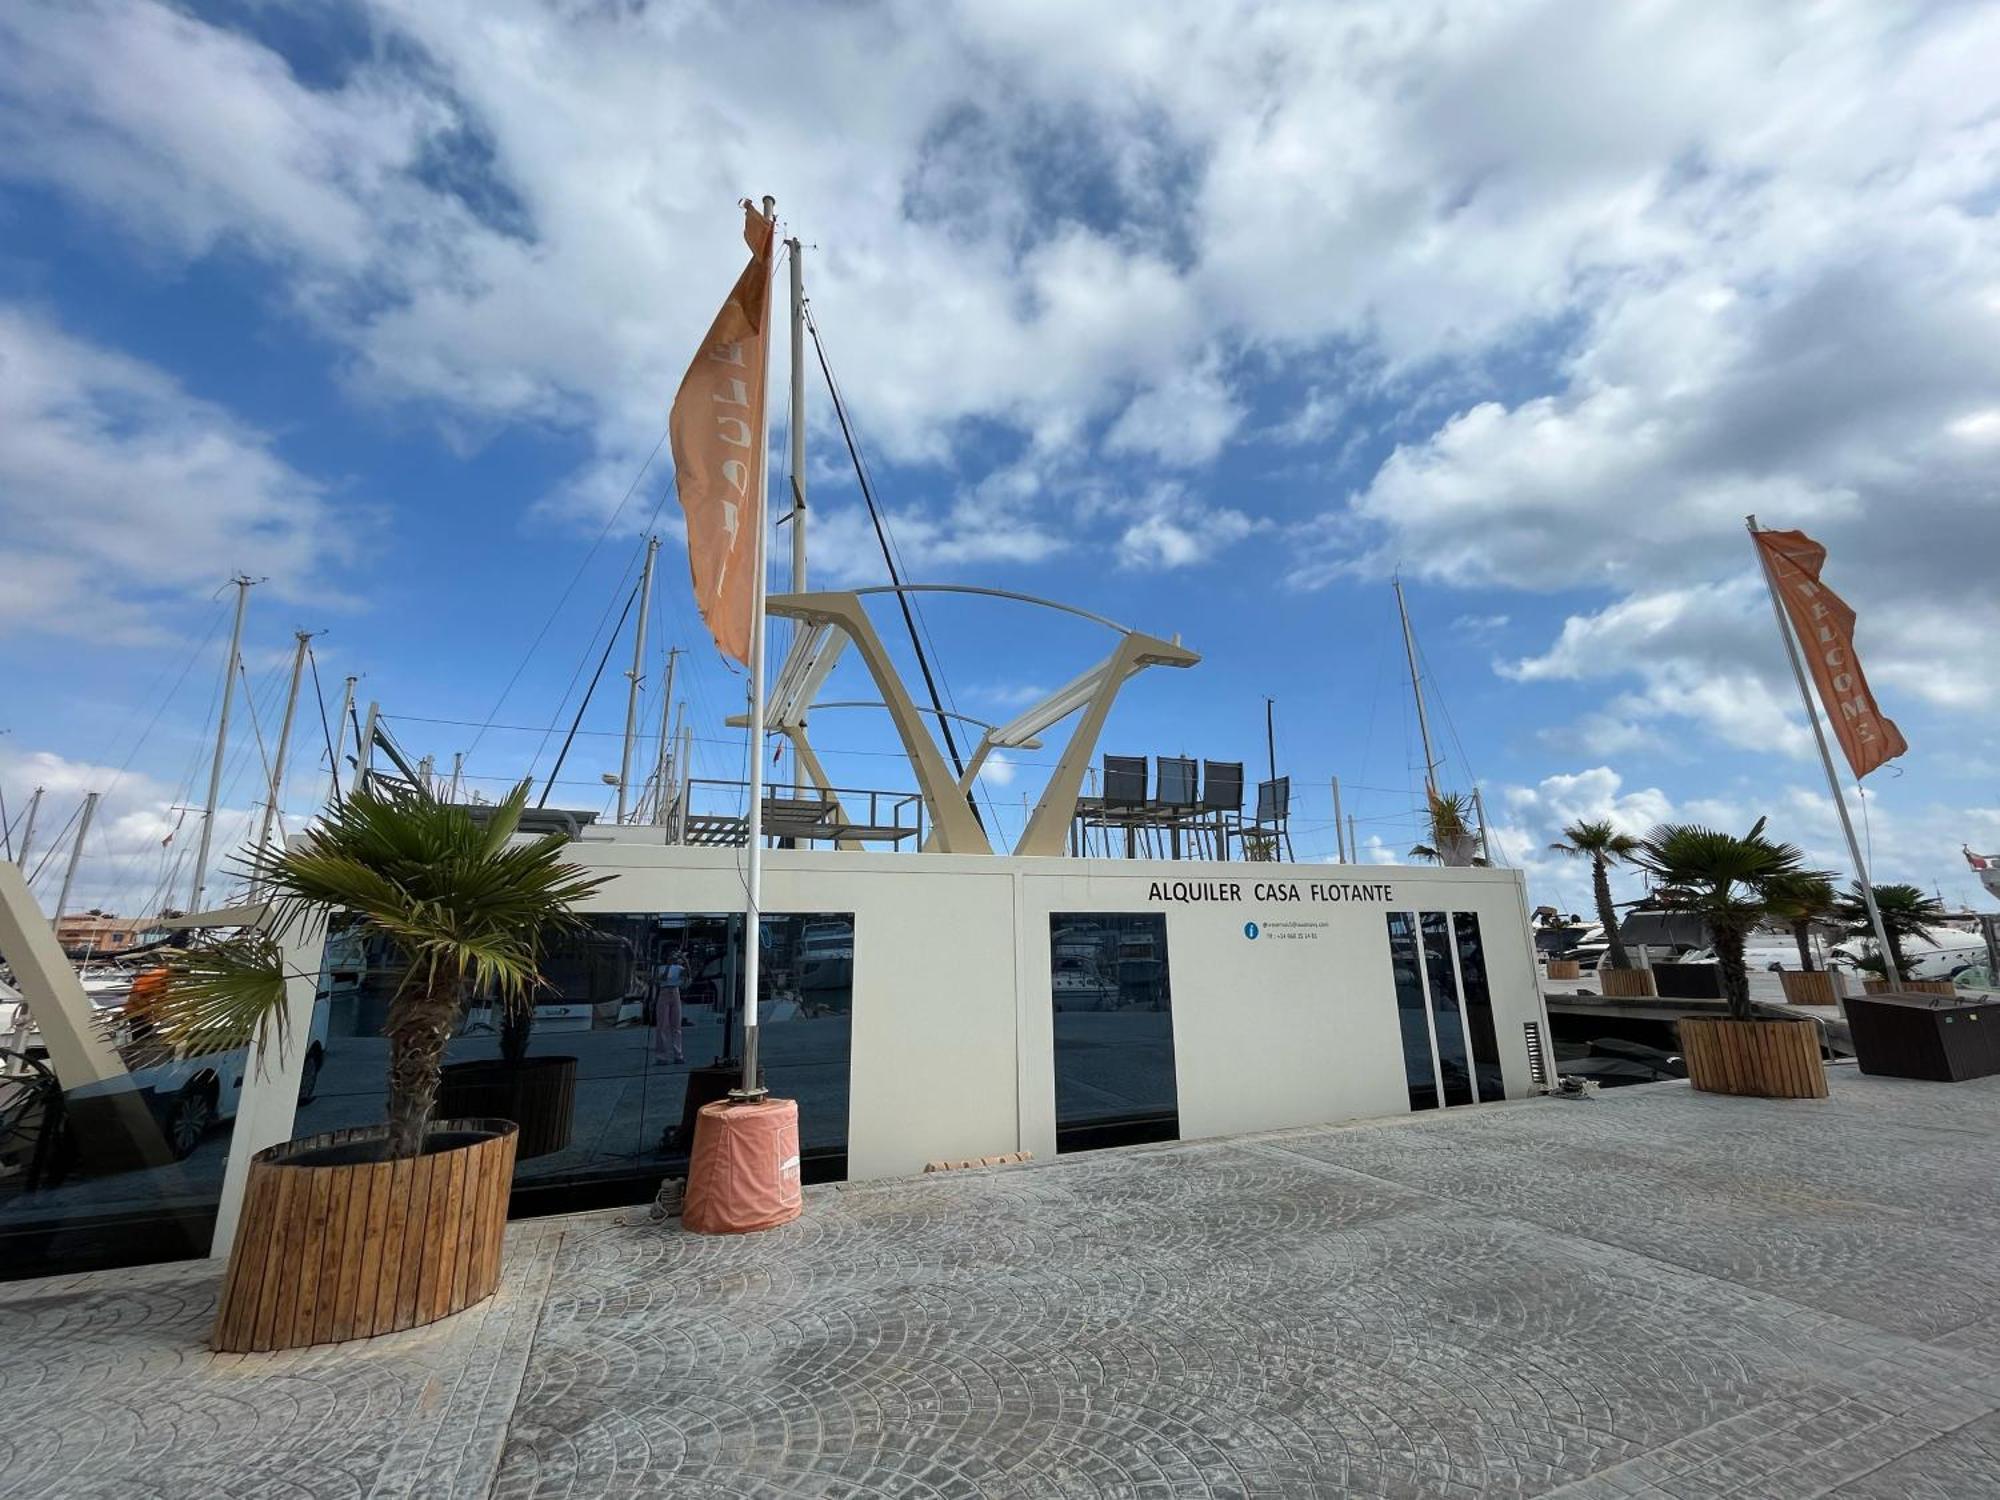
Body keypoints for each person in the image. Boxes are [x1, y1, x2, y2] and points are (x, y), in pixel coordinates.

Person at [652, 946, 689, 1065]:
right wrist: (668, 965)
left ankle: (678, 1054)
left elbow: (688, 975)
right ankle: (661, 1056)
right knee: (662, 1025)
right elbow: (661, 980)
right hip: (664, 992)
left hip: (675, 992)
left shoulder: (679, 968)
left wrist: (685, 960)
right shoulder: (660, 968)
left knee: (676, 1025)